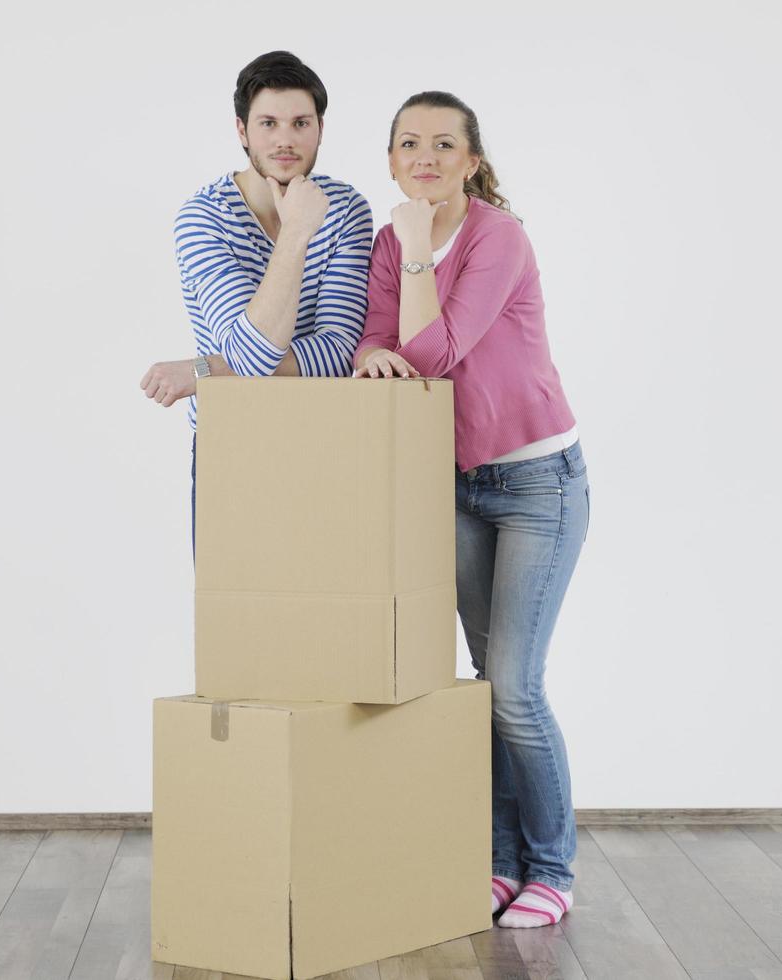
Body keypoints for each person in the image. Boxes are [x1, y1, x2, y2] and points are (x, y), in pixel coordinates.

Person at [353, 91, 588, 929]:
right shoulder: (390, 241)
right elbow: (375, 343)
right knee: (482, 689)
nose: (425, 158)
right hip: (453, 483)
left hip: (535, 485)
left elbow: (431, 355)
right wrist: (380, 343)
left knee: (517, 689)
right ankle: (498, 863)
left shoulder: (498, 238)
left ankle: (553, 868)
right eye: (408, 143)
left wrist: (416, 256)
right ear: (390, 161)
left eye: (444, 144)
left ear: (473, 160)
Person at [138, 51, 373, 541]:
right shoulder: (203, 217)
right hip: (234, 440)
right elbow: (252, 353)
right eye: (268, 123)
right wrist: (296, 234)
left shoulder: (347, 209)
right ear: (242, 131)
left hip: (327, 436)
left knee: (328, 613)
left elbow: (337, 355)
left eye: (299, 123)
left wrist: (204, 369)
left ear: (320, 130)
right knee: (238, 615)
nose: (285, 139)